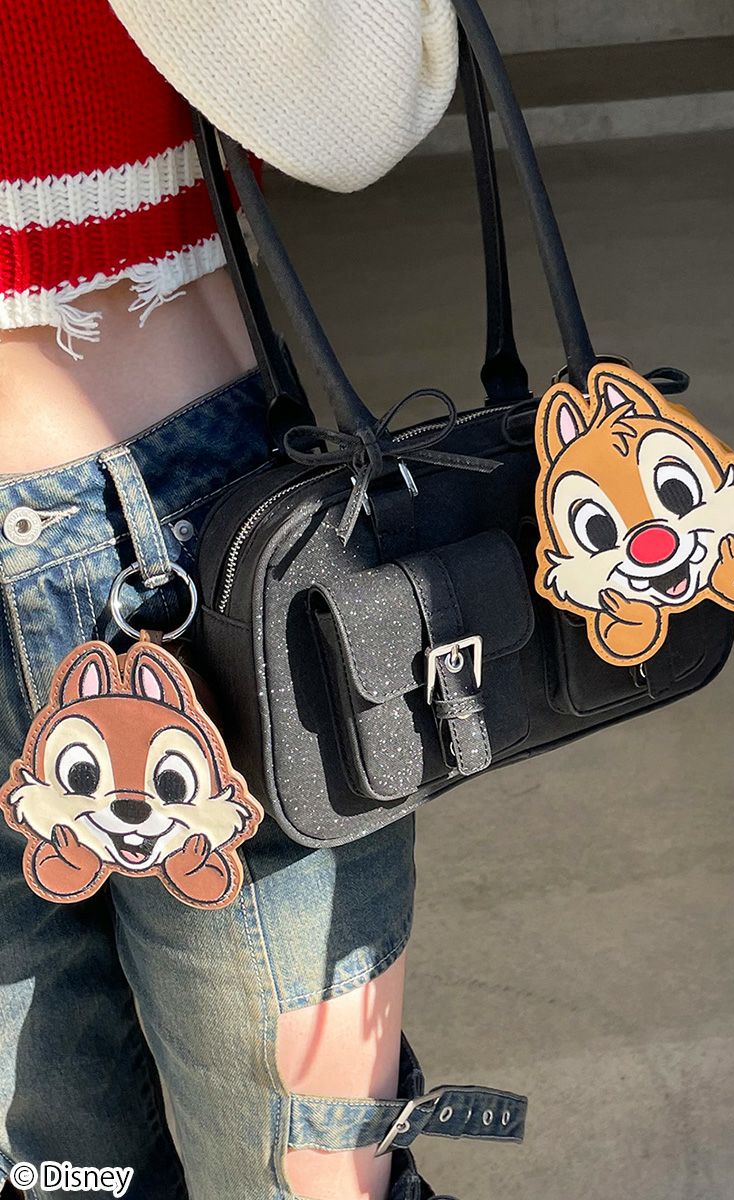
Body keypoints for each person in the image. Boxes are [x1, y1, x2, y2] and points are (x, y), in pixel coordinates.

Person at [0, 2, 456, 1197]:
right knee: (55, 1173)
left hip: (174, 531)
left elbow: (360, 109)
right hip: (159, 490)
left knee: (315, 1166)